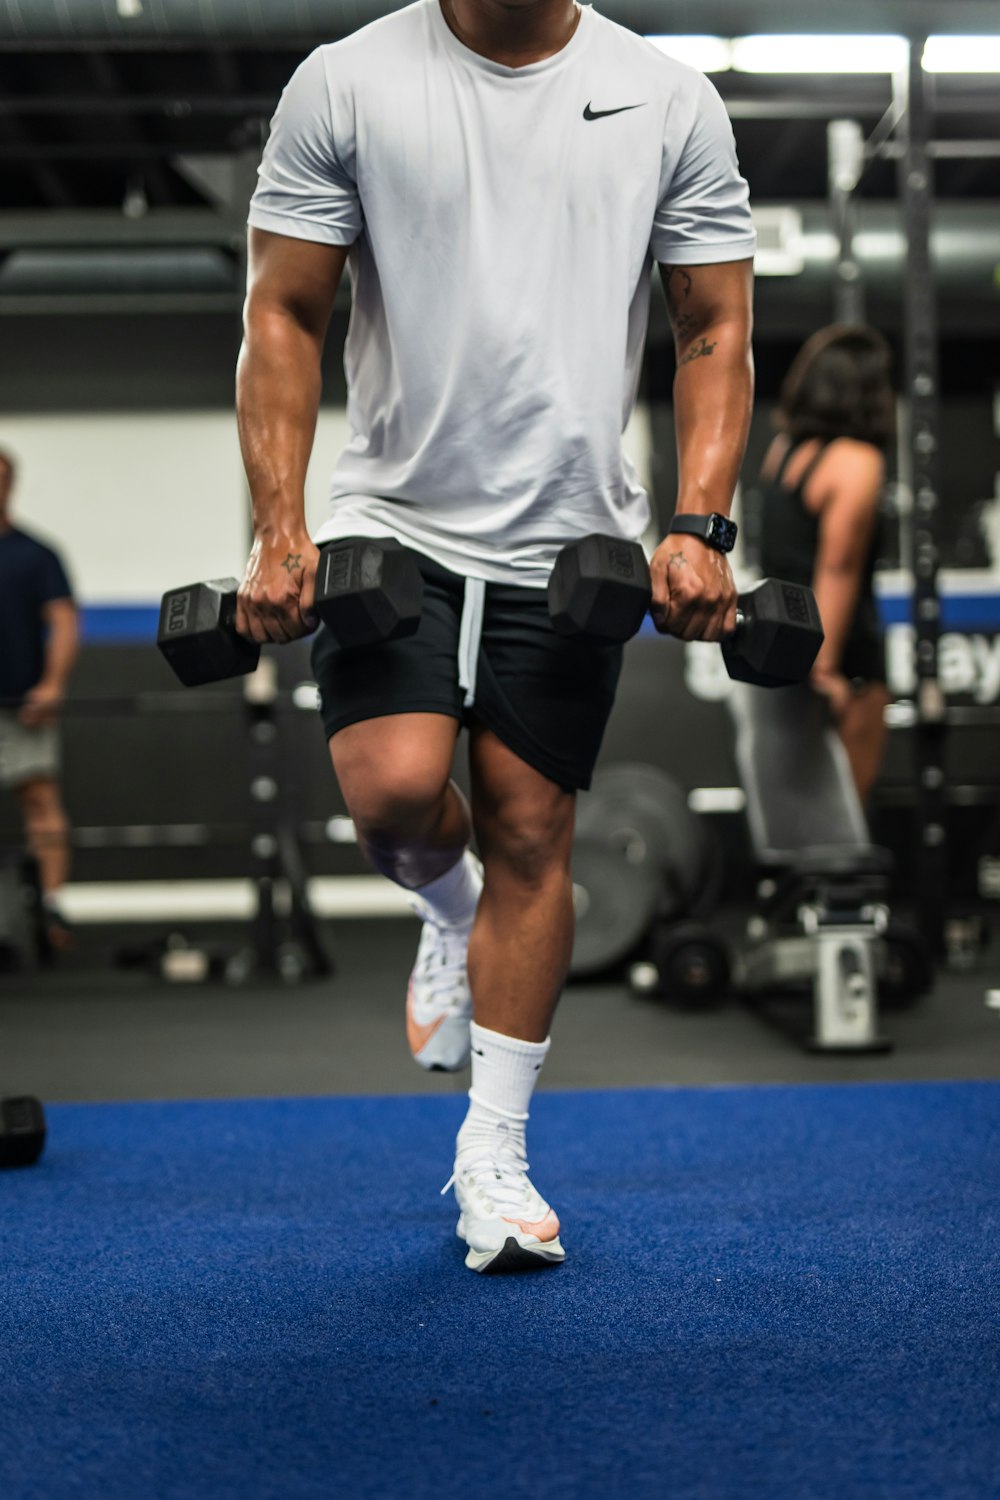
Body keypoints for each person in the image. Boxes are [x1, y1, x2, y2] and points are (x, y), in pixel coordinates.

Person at [235, 0, 756, 1272]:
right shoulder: (347, 81)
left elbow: (712, 327)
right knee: (402, 800)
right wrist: (279, 525)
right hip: (393, 516)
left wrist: (698, 523)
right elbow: (284, 314)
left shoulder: (665, 94)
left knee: (534, 826)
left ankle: (494, 1157)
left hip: (573, 530)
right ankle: (446, 912)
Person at [752, 325, 894, 803]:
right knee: (843, 824)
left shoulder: (784, 450)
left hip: (782, 653)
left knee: (794, 816)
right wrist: (825, 673)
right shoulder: (857, 461)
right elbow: (837, 570)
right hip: (841, 664)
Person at [0, 447, 79, 948]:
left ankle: (48, 909)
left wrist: (51, 686)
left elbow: (65, 622)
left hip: (20, 706)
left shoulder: (36, 554)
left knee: (40, 801)